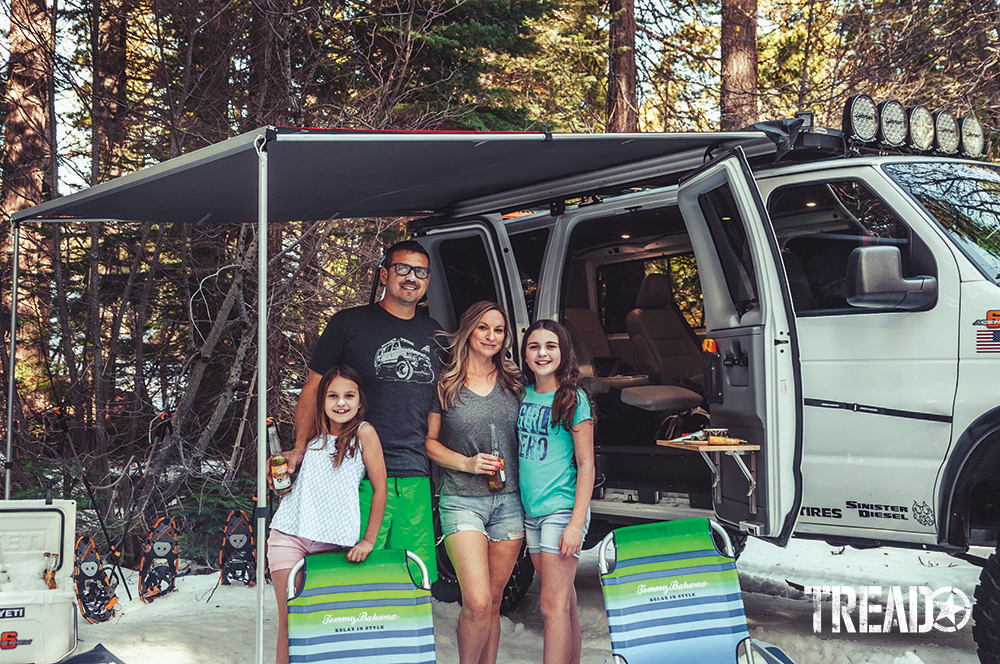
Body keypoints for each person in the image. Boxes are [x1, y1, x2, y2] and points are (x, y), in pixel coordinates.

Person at [288, 240, 441, 584]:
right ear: (385, 274)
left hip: (414, 475)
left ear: (428, 280)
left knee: (412, 581)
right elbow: (313, 390)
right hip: (352, 472)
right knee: (348, 579)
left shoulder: (434, 334)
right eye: (402, 269)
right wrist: (301, 446)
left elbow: (443, 400)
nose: (411, 278)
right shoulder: (348, 324)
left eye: (420, 272)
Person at [425, 301, 525, 664]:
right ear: (469, 330)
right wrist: (467, 463)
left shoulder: (515, 382)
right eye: (484, 328)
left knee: (494, 602)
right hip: (462, 501)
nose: (491, 336)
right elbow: (429, 444)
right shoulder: (444, 384)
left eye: (498, 330)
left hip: (510, 502)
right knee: (478, 601)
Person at [267, 365, 387, 664]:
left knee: (325, 623)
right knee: (290, 621)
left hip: (332, 544)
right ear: (322, 400)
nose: (341, 402)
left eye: (349, 395)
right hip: (289, 535)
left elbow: (380, 490)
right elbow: (300, 486)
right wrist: (281, 482)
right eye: (332, 395)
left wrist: (368, 540)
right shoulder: (313, 438)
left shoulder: (364, 433)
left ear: (360, 401)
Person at [517, 319, 595, 664]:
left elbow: (587, 465)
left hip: (562, 510)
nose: (542, 353)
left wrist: (576, 524)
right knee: (564, 601)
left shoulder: (574, 398)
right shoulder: (522, 393)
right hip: (531, 511)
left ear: (563, 353)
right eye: (534, 346)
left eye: (550, 346)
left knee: (550, 604)